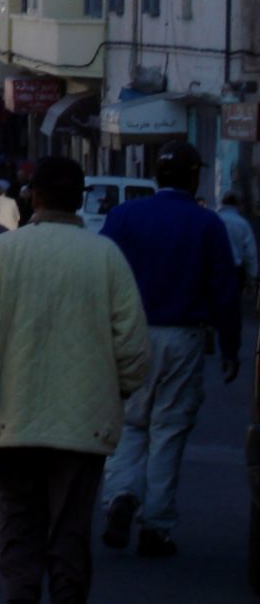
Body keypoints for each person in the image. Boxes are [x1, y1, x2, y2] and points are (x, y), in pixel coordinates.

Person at [0, 156, 150, 604]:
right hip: (84, 429)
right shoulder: (106, 257)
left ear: (33, 198)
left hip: (17, 423)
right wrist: (108, 394)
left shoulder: (3, 253)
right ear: (80, 200)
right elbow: (134, 353)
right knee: (70, 535)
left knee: (20, 532)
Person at [99, 141, 240, 557]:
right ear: (194, 177)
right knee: (168, 430)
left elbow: (101, 273)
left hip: (129, 333)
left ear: (156, 176)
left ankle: (121, 495)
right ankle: (155, 525)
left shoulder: (123, 217)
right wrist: (230, 348)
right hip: (183, 336)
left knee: (129, 424)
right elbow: (225, 292)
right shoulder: (207, 224)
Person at [217, 192, 258, 294]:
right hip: (235, 270)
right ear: (237, 205)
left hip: (214, 268)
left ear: (223, 203)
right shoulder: (242, 223)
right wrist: (252, 276)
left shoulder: (214, 219)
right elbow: (250, 253)